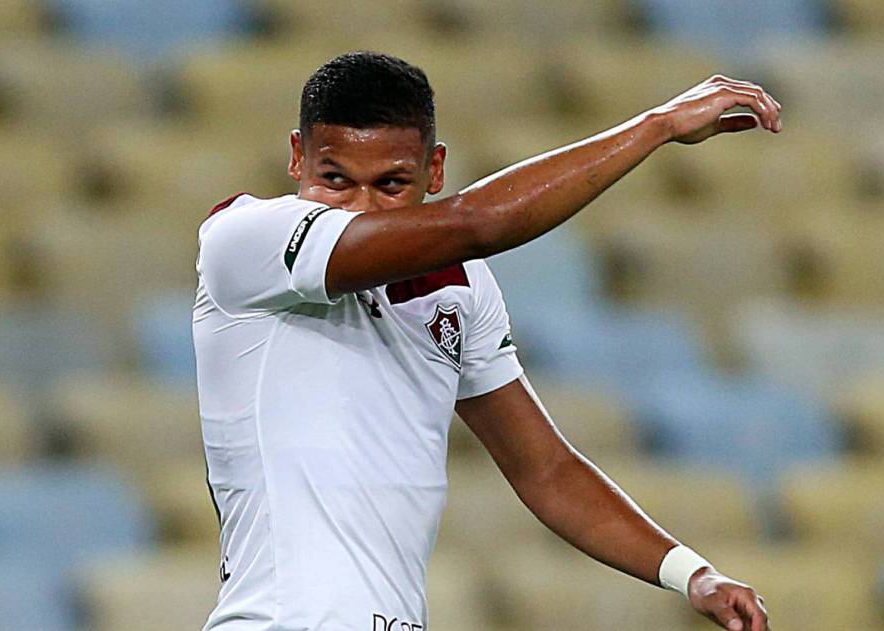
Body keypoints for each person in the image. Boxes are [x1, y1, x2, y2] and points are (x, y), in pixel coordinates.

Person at [193, 50, 780, 631]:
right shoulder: (245, 242)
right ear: (298, 158)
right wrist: (658, 125)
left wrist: (692, 574)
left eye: (392, 184)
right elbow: (477, 223)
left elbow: (545, 469)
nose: (361, 208)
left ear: (435, 169)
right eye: (336, 181)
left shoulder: (461, 286)